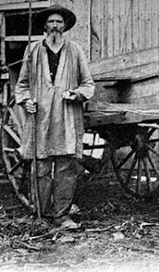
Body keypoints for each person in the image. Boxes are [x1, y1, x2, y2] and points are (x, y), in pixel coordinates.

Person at [15, 5, 94, 228]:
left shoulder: (75, 50)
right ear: (45, 25)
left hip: (67, 116)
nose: (55, 26)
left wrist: (76, 94)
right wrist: (26, 100)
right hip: (40, 117)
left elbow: (88, 84)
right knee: (40, 166)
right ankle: (41, 215)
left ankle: (62, 216)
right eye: (51, 22)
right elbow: (22, 85)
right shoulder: (33, 50)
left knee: (66, 167)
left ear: (65, 26)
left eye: (59, 22)